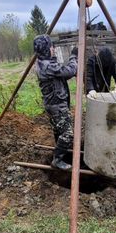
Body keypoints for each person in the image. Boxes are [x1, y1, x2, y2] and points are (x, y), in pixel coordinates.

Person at [34, 34, 78, 171]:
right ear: (46, 49)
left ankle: (60, 154)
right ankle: (57, 160)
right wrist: (73, 57)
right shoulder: (48, 66)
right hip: (57, 106)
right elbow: (70, 71)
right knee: (68, 133)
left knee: (59, 132)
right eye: (51, 47)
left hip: (52, 104)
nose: (53, 49)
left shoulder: (42, 63)